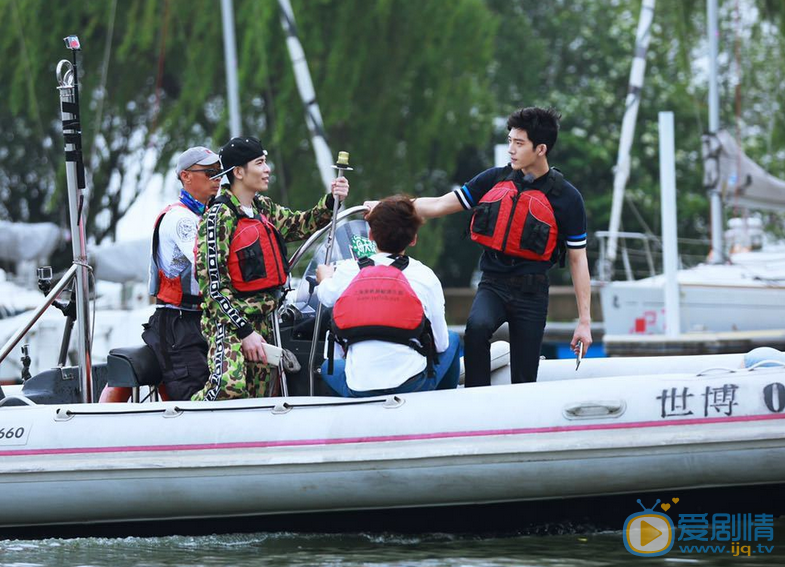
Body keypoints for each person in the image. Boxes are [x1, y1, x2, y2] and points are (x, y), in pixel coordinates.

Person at [367, 107, 592, 386]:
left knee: (524, 376)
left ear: (541, 149)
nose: (511, 149)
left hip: (532, 292)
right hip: (493, 282)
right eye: (509, 140)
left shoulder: (568, 198)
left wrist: (584, 321)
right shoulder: (494, 179)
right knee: (477, 328)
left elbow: (578, 260)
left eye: (519, 143)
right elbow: (439, 204)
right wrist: (385, 207)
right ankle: (475, 397)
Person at [191, 136, 349, 401]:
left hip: (268, 318)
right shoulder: (218, 217)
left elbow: (300, 224)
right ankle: (188, 430)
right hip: (229, 323)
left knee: (261, 397)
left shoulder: (262, 207)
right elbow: (213, 288)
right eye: (260, 163)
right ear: (239, 172)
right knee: (228, 387)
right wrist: (244, 331)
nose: (268, 169)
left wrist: (332, 201)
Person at [100, 146, 221, 403]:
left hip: (199, 319)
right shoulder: (181, 218)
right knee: (197, 395)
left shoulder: (206, 215)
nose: (218, 178)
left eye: (220, 172)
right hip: (178, 323)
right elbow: (212, 263)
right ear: (186, 176)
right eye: (210, 172)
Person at [314, 195, 461, 396]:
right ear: (413, 239)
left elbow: (326, 296)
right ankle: (441, 404)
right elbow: (441, 343)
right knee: (452, 339)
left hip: (359, 388)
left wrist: (325, 278)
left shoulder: (349, 270)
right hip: (410, 386)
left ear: (371, 235)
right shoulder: (425, 276)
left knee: (327, 367)